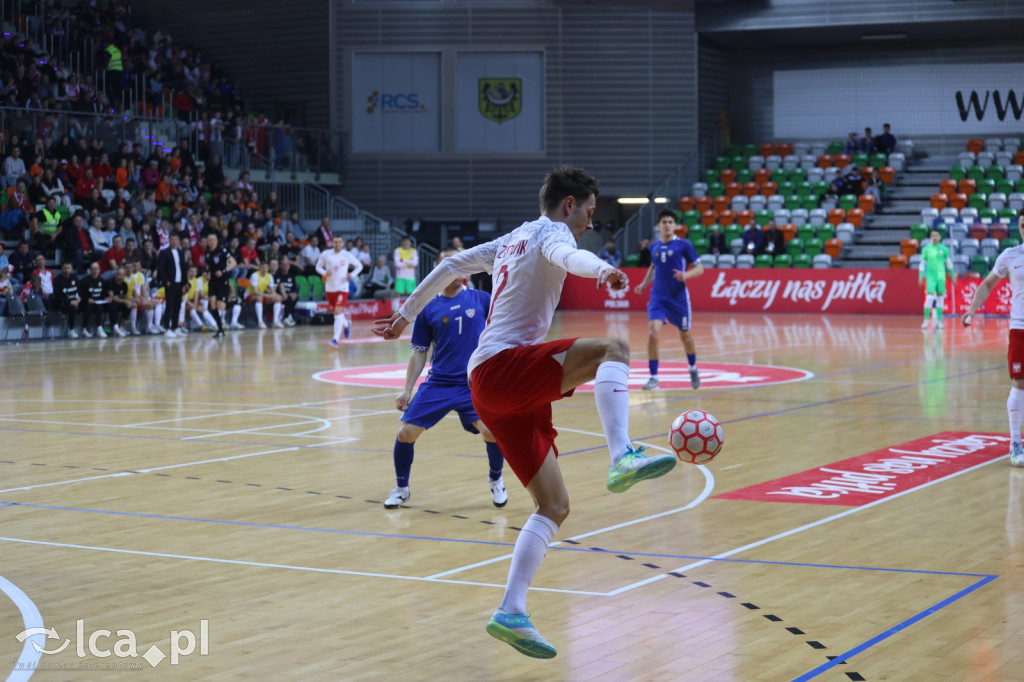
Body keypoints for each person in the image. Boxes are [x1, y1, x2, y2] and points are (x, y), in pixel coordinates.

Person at [372, 166, 678, 659]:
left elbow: (450, 267)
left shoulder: (512, 239)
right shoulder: (553, 234)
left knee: (554, 506)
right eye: (589, 213)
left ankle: (511, 611)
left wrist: (405, 314)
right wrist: (601, 269)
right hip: (501, 368)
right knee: (614, 349)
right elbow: (568, 254)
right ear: (568, 204)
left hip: (492, 385)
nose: (588, 223)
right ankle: (621, 453)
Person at [383, 248, 509, 510]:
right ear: (438, 271)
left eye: (459, 264)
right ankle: (401, 488)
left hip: (472, 385)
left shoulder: (482, 299)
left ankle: (496, 480)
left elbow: (504, 330)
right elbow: (419, 353)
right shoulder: (428, 308)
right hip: (439, 384)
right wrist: (406, 390)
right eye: (447, 265)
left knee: (491, 432)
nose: (455, 269)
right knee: (405, 434)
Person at [961, 208, 1024, 466]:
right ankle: (1015, 442)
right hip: (1020, 327)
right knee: (1019, 383)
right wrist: (972, 310)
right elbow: (987, 283)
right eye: (1022, 224)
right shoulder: (1011, 255)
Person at [633, 209, 705, 390]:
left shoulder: (684, 245)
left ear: (675, 225)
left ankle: (693, 367)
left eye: (670, 222)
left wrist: (685, 274)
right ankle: (654, 377)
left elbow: (700, 268)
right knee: (652, 334)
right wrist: (643, 285)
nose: (666, 225)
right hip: (658, 297)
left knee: (685, 336)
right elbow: (653, 267)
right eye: (663, 222)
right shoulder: (654, 246)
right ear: (659, 226)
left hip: (678, 299)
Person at [316, 233, 363, 345]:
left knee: (338, 311)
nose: (337, 244)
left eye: (340, 242)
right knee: (337, 313)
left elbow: (359, 266)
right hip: (330, 288)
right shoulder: (326, 254)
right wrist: (324, 272)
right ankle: (346, 324)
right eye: (335, 242)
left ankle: (335, 339)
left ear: (342, 243)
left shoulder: (347, 255)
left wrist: (352, 274)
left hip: (342, 287)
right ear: (332, 243)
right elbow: (317, 266)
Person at [920, 230, 956, 330]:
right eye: (932, 235)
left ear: (940, 237)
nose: (934, 237)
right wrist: (920, 276)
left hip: (941, 277)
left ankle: (939, 321)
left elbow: (949, 264)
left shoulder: (944, 249)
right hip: (930, 277)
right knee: (929, 297)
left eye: (936, 235)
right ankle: (926, 321)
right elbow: (922, 264)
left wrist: (953, 276)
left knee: (940, 299)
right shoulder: (926, 249)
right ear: (930, 237)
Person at [206, 232, 237, 339]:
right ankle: (220, 329)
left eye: (213, 240)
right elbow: (209, 267)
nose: (211, 242)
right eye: (209, 240)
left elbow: (233, 263)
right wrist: (207, 274)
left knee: (221, 306)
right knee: (212, 305)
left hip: (222, 281)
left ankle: (232, 303)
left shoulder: (222, 251)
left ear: (217, 241)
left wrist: (223, 271)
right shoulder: (208, 253)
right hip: (213, 282)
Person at [158, 231, 187, 338]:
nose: (174, 242)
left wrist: (185, 283)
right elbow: (160, 269)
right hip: (170, 283)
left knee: (178, 306)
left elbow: (183, 268)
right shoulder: (164, 252)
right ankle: (166, 328)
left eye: (176, 240)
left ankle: (175, 327)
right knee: (169, 306)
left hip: (179, 283)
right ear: (169, 240)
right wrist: (167, 281)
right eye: (172, 240)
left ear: (178, 241)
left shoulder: (180, 252)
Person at [248, 261, 284, 328]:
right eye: (263, 267)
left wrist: (274, 295)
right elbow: (255, 292)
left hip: (262, 295)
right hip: (250, 295)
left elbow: (272, 290)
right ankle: (260, 321)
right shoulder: (255, 275)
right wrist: (268, 295)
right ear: (259, 268)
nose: (264, 269)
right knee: (259, 298)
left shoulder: (269, 276)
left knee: (278, 298)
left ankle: (275, 321)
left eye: (266, 267)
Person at [78, 262, 108, 337]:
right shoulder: (84, 280)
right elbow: (80, 293)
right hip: (85, 302)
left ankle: (99, 328)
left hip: (97, 302)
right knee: (88, 308)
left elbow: (104, 293)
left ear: (99, 270)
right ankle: (83, 329)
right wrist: (87, 299)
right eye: (93, 269)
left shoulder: (101, 280)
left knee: (101, 307)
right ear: (90, 270)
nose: (95, 270)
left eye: (97, 269)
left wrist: (107, 298)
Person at [52, 261, 81, 338]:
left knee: (89, 306)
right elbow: (58, 296)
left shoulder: (74, 277)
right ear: (62, 268)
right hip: (61, 303)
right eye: (65, 268)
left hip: (75, 301)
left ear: (71, 269)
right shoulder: (57, 280)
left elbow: (79, 290)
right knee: (73, 308)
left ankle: (85, 329)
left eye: (69, 268)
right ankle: (71, 330)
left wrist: (78, 299)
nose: (67, 270)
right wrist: (70, 302)